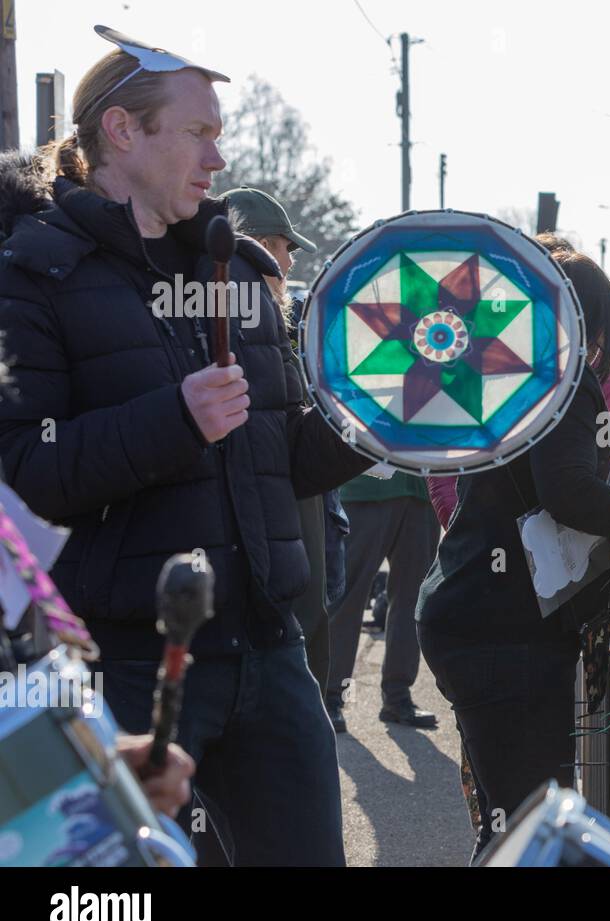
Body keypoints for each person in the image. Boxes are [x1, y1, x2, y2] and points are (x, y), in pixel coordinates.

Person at [0, 28, 372, 865]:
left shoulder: (236, 271)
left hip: (273, 655)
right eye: (200, 132)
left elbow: (282, 460)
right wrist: (176, 419)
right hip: (125, 665)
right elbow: (25, 472)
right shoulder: (30, 272)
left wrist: (371, 428)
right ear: (124, 132)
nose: (220, 155)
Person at [416, 242, 610, 860]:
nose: (600, 354)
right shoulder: (562, 381)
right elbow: (569, 491)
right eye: (601, 335)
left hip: (475, 619)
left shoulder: (515, 373)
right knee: (532, 828)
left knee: (514, 821)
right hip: (501, 635)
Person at [219, 185, 336, 694]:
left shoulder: (262, 318)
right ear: (264, 247)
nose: (290, 262)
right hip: (279, 524)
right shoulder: (241, 321)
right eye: (287, 248)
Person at [325, 465, 440, 733]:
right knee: (346, 597)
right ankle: (330, 697)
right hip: (365, 486)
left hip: (422, 488)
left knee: (413, 597)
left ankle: (398, 697)